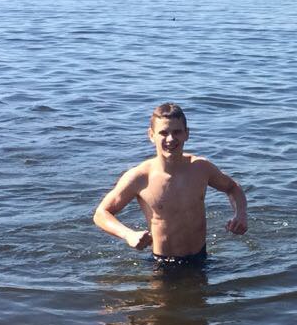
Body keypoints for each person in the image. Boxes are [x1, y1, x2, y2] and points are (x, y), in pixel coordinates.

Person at [94, 103, 247, 267]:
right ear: (151, 135)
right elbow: (101, 213)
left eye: (177, 132)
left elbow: (232, 187)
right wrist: (128, 234)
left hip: (201, 258)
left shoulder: (201, 168)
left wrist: (240, 214)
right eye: (163, 133)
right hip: (163, 264)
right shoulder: (140, 177)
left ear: (187, 134)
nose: (170, 139)